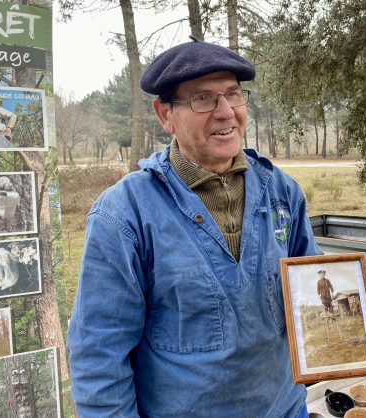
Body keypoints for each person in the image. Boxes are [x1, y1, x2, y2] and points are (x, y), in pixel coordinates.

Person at [67, 38, 321, 418]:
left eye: (233, 94)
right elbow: (98, 355)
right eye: (203, 99)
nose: (225, 113)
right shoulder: (124, 214)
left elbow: (312, 297)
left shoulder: (281, 192)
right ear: (165, 114)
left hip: (285, 409)